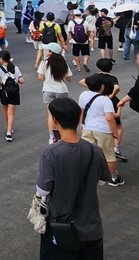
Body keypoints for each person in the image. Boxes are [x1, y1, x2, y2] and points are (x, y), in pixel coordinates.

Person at [36, 97, 111, 259]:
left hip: (60, 228)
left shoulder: (52, 152)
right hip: (91, 228)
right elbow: (103, 181)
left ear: (55, 120)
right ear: (79, 118)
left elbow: (43, 189)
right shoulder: (95, 151)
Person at [79, 75, 125, 187]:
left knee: (88, 153)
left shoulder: (83, 95)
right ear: (102, 86)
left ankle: (88, 174)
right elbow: (110, 118)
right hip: (102, 130)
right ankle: (113, 177)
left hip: (88, 128)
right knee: (108, 154)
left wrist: (81, 123)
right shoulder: (105, 100)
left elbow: (81, 110)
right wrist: (115, 133)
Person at [38, 43, 72, 144]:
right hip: (61, 90)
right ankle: (63, 134)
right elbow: (69, 78)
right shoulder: (63, 62)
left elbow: (40, 77)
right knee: (62, 113)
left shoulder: (44, 62)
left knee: (50, 114)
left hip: (48, 90)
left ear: (51, 52)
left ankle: (51, 137)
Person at [0, 50, 24, 142]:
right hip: (14, 92)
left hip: (4, 92)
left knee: (6, 111)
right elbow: (22, 80)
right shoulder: (15, 68)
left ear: (2, 59)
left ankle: (8, 126)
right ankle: (9, 133)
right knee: (11, 113)